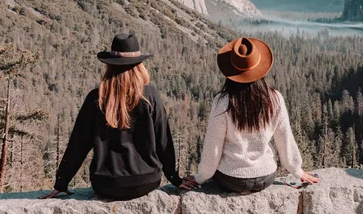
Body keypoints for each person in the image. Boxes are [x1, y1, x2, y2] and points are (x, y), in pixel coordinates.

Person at [39, 33, 197, 200]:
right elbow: (163, 141)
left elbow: (78, 144)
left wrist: (61, 183)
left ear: (110, 65)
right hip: (146, 180)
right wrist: (174, 178)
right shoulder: (150, 96)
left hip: (107, 184)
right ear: (140, 65)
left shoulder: (96, 98)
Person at [189, 37, 319, 193]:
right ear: (260, 68)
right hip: (266, 176)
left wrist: (200, 177)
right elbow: (284, 138)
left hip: (232, 179)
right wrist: (297, 171)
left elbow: (213, 147)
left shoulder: (223, 102)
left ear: (230, 71)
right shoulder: (275, 98)